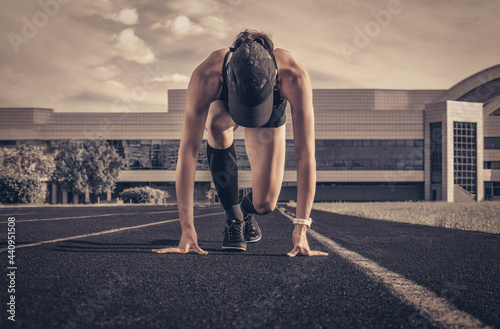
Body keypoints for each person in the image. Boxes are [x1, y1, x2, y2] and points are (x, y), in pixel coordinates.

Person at [152, 30, 327, 257]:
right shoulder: (207, 75)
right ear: (227, 76)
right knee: (215, 122)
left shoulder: (293, 75)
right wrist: (187, 230)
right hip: (225, 107)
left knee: (265, 204)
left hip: (270, 111)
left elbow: (305, 155)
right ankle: (234, 216)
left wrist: (302, 228)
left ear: (275, 75)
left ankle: (245, 211)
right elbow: (188, 152)